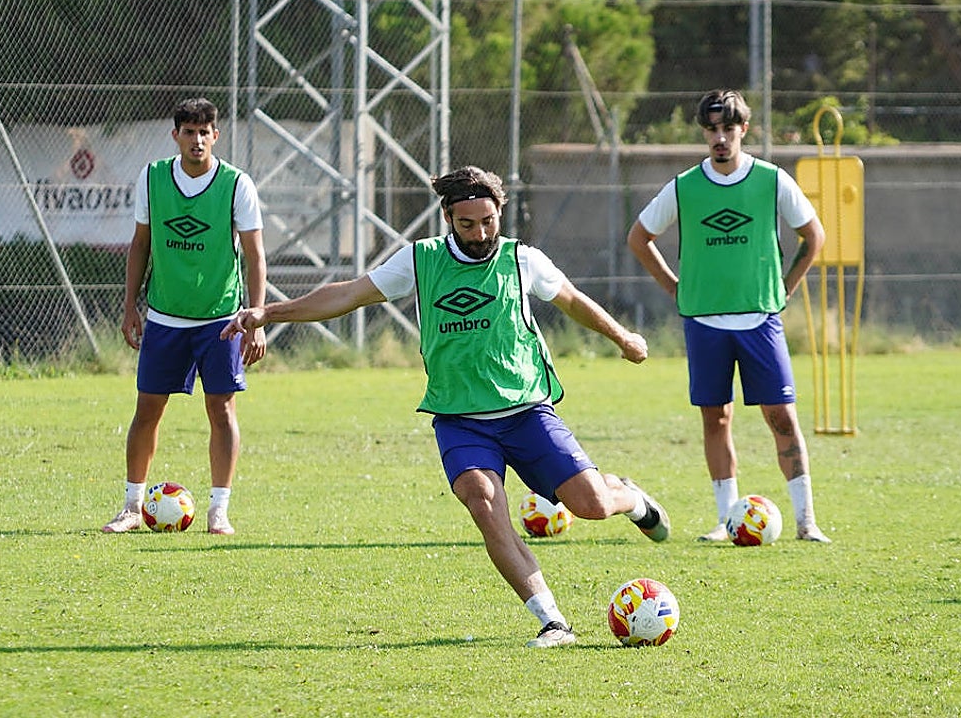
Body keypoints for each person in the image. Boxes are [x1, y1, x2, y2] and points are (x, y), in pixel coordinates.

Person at [220, 165, 670, 648]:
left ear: (501, 213)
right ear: (447, 218)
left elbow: (572, 300)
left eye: (489, 222)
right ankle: (552, 620)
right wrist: (269, 311)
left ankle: (630, 496)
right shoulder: (420, 260)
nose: (480, 234)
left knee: (593, 505)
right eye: (468, 224)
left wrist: (622, 337)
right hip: (460, 420)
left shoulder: (524, 259)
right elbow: (347, 295)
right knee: (483, 500)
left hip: (526, 411)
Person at [627, 88, 831, 543]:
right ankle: (725, 520)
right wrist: (677, 290)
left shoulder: (772, 180)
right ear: (704, 133)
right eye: (711, 130)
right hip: (704, 323)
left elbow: (813, 236)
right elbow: (639, 238)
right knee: (715, 419)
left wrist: (784, 288)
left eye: (728, 129)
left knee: (782, 416)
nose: (720, 138)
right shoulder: (684, 186)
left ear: (744, 129)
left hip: (760, 320)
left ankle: (806, 521)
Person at [102, 98, 266, 536]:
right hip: (165, 317)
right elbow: (140, 244)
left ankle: (219, 510)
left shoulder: (236, 184)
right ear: (175, 135)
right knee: (148, 409)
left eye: (204, 131)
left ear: (216, 135)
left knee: (222, 408)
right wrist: (129, 305)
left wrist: (256, 316)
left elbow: (254, 253)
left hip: (221, 319)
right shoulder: (153, 178)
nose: (197, 139)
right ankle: (132, 506)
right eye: (188, 131)